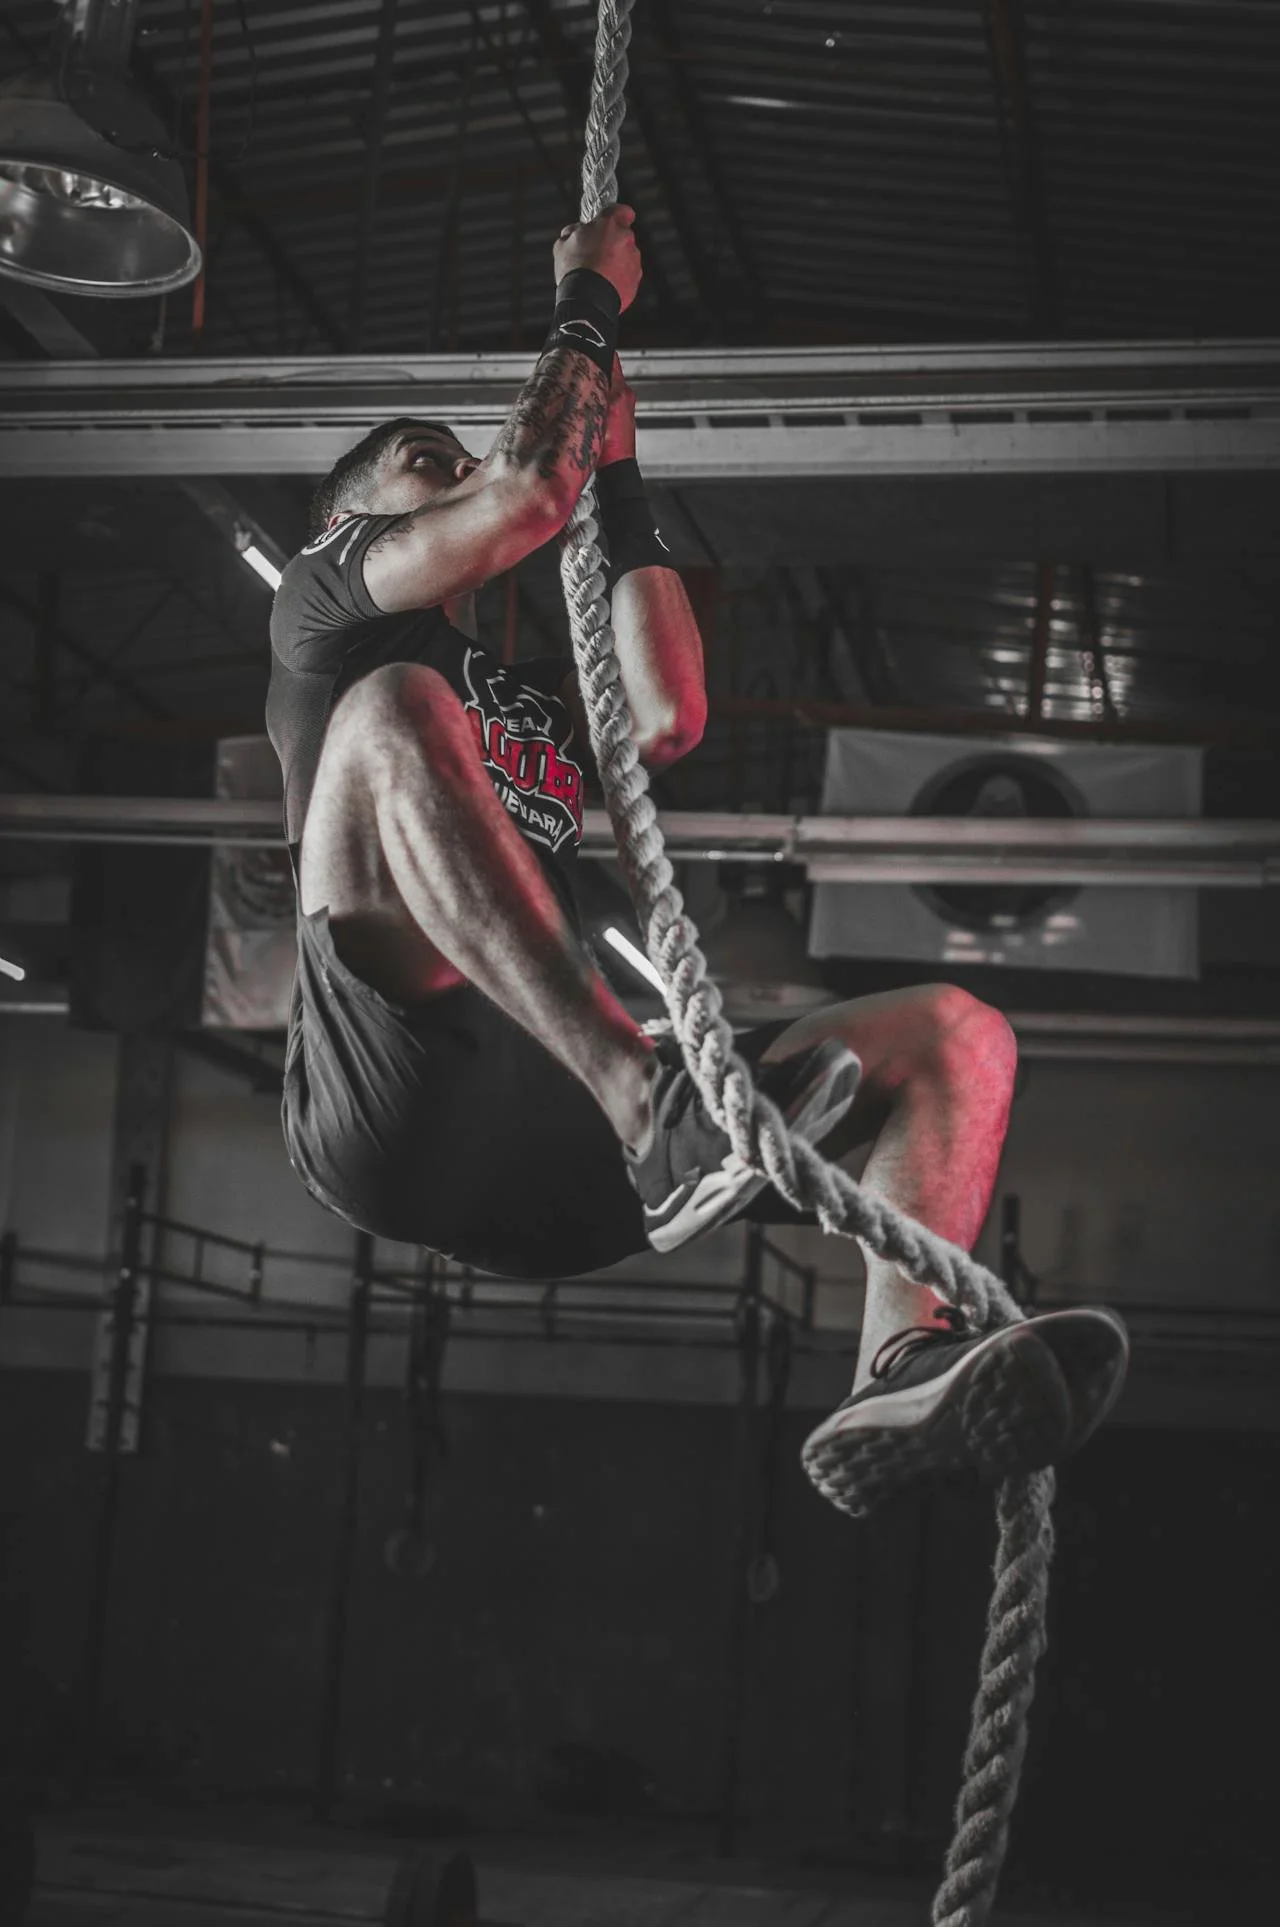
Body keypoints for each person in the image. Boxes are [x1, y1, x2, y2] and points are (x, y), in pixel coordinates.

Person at [266, 206, 1127, 1499]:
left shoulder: (515, 704)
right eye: (417, 460)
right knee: (392, 716)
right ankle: (646, 1102)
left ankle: (903, 1365)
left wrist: (621, 466)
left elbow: (670, 710)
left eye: (451, 455)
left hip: (556, 1173)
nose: (449, 470)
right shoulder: (321, 605)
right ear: (352, 520)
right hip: (392, 1086)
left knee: (961, 1036)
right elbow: (521, 493)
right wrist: (587, 302)